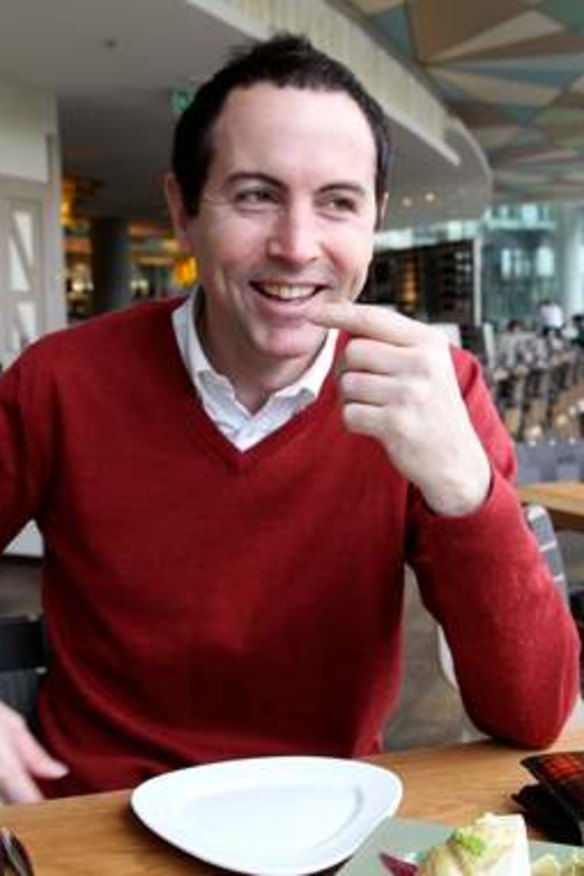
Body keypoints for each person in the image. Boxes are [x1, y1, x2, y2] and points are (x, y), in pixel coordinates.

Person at [0, 33, 579, 804]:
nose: (298, 246)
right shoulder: (60, 381)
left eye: (338, 202)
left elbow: (533, 714)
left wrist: (467, 489)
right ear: (182, 210)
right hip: (94, 821)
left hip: (330, 822)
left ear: (374, 221)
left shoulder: (439, 389)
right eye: (255, 195)